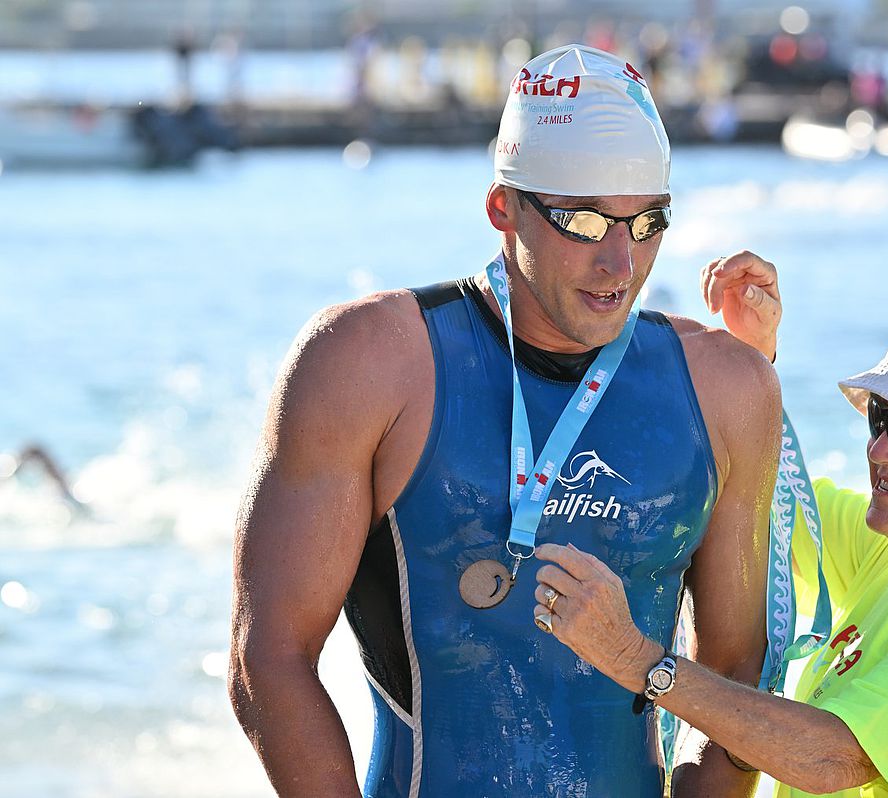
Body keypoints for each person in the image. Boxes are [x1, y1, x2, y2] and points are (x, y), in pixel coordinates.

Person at [229, 44, 783, 797]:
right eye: (586, 225)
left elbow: (736, 677)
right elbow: (268, 659)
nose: (621, 264)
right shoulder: (367, 364)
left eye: (647, 223)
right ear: (503, 208)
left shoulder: (727, 387)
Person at [535, 266, 888, 797]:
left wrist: (635, 659)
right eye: (882, 417)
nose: (881, 449)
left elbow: (830, 759)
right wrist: (746, 364)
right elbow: (765, 489)